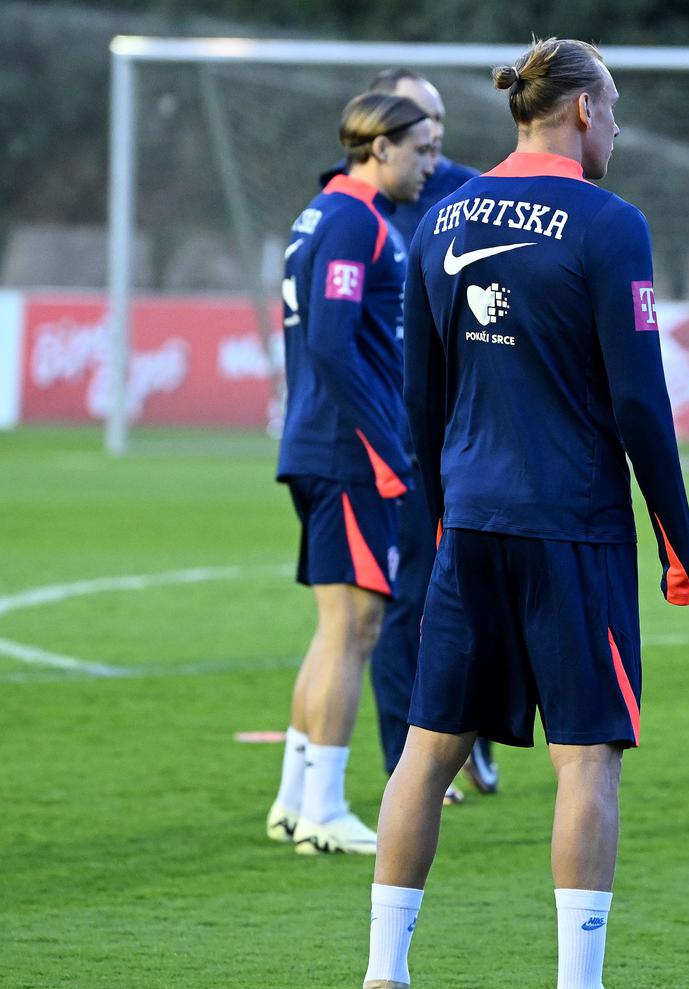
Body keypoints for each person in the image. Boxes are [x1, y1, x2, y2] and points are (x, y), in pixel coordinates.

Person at [356, 38, 689, 989]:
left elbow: (419, 397)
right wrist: (676, 538)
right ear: (583, 111)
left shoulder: (442, 217)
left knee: (426, 750)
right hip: (572, 528)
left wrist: (439, 519)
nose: (618, 128)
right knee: (587, 757)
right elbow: (640, 401)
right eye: (615, 108)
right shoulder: (609, 223)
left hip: (469, 522)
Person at [264, 91, 436, 856]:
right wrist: (385, 445)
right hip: (347, 453)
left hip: (321, 445)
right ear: (380, 147)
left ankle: (294, 800)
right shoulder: (353, 220)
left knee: (335, 628)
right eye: (421, 150)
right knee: (357, 630)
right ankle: (324, 812)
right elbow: (333, 345)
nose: (430, 164)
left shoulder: (323, 213)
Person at [331, 68, 501, 801]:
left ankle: (475, 732)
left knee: (480, 585)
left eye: (437, 122)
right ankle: (407, 758)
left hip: (472, 428)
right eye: (416, 124)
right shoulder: (355, 208)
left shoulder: (472, 192)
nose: (432, 139)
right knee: (399, 602)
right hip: (394, 435)